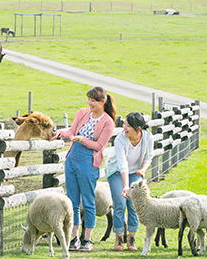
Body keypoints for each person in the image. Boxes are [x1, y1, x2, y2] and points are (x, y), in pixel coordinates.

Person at [50, 86, 116, 252]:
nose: (89, 103)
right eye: (89, 99)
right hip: (72, 159)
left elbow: (99, 145)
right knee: (72, 200)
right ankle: (74, 237)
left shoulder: (108, 122)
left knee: (88, 201)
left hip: (89, 162)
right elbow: (72, 131)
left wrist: (81, 139)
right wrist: (60, 134)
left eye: (93, 100)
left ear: (102, 102)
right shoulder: (81, 113)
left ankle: (87, 239)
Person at [105, 112, 153, 251]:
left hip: (136, 172)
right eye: (124, 124)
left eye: (128, 125)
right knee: (120, 203)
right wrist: (126, 186)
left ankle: (131, 240)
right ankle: (118, 240)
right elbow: (122, 164)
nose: (124, 127)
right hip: (116, 172)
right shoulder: (120, 139)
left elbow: (148, 157)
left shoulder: (147, 137)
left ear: (138, 128)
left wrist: (143, 170)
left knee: (134, 204)